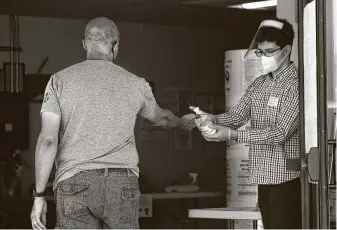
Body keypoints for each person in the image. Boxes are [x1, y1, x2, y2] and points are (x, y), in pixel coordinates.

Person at [30, 17, 193, 230]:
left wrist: (39, 195)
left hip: (74, 182)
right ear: (116, 46)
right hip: (121, 184)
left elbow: (48, 140)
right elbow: (162, 118)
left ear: (84, 43)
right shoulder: (135, 83)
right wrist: (184, 122)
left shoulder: (59, 81)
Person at [188, 17, 301, 229]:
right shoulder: (259, 84)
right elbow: (236, 117)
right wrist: (211, 119)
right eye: (260, 52)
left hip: (287, 179)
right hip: (263, 176)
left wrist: (233, 135)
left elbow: (280, 133)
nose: (263, 58)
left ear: (286, 50)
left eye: (270, 52)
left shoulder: (295, 85)